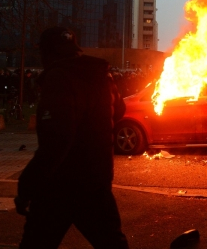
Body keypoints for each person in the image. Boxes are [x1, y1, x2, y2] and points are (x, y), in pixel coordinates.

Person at [15, 27, 129, 249]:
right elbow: (119, 110)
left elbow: (56, 142)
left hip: (59, 188)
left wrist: (26, 185)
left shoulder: (59, 78)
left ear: (47, 54)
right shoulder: (101, 74)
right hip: (96, 182)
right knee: (112, 244)